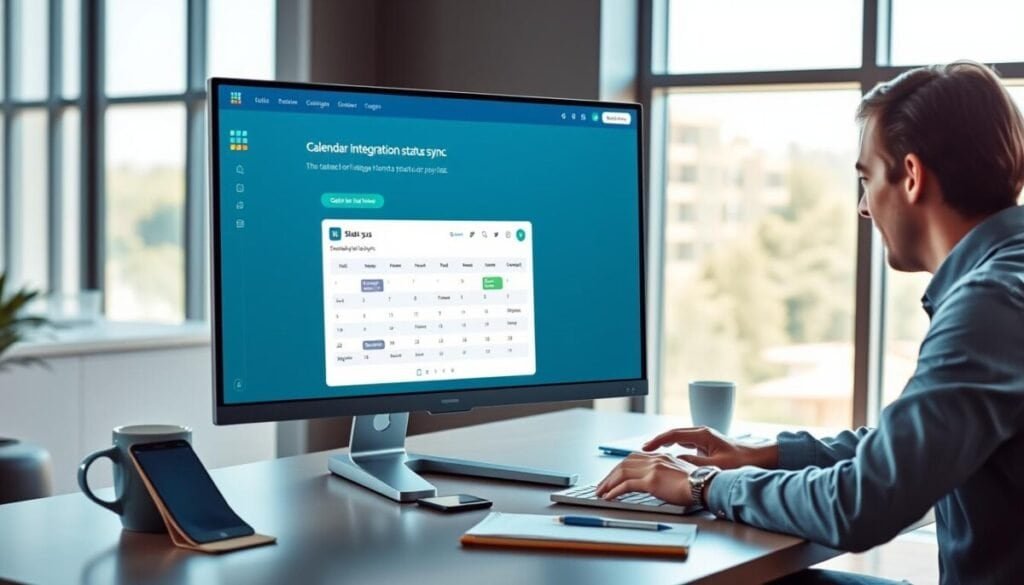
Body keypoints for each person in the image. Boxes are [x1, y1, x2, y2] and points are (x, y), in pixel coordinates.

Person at [596, 60, 1024, 585]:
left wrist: (703, 484)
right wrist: (769, 454)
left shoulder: (990, 305)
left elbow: (864, 502)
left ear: (911, 176)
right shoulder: (1007, 280)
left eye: (866, 179)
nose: (864, 208)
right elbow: (913, 449)